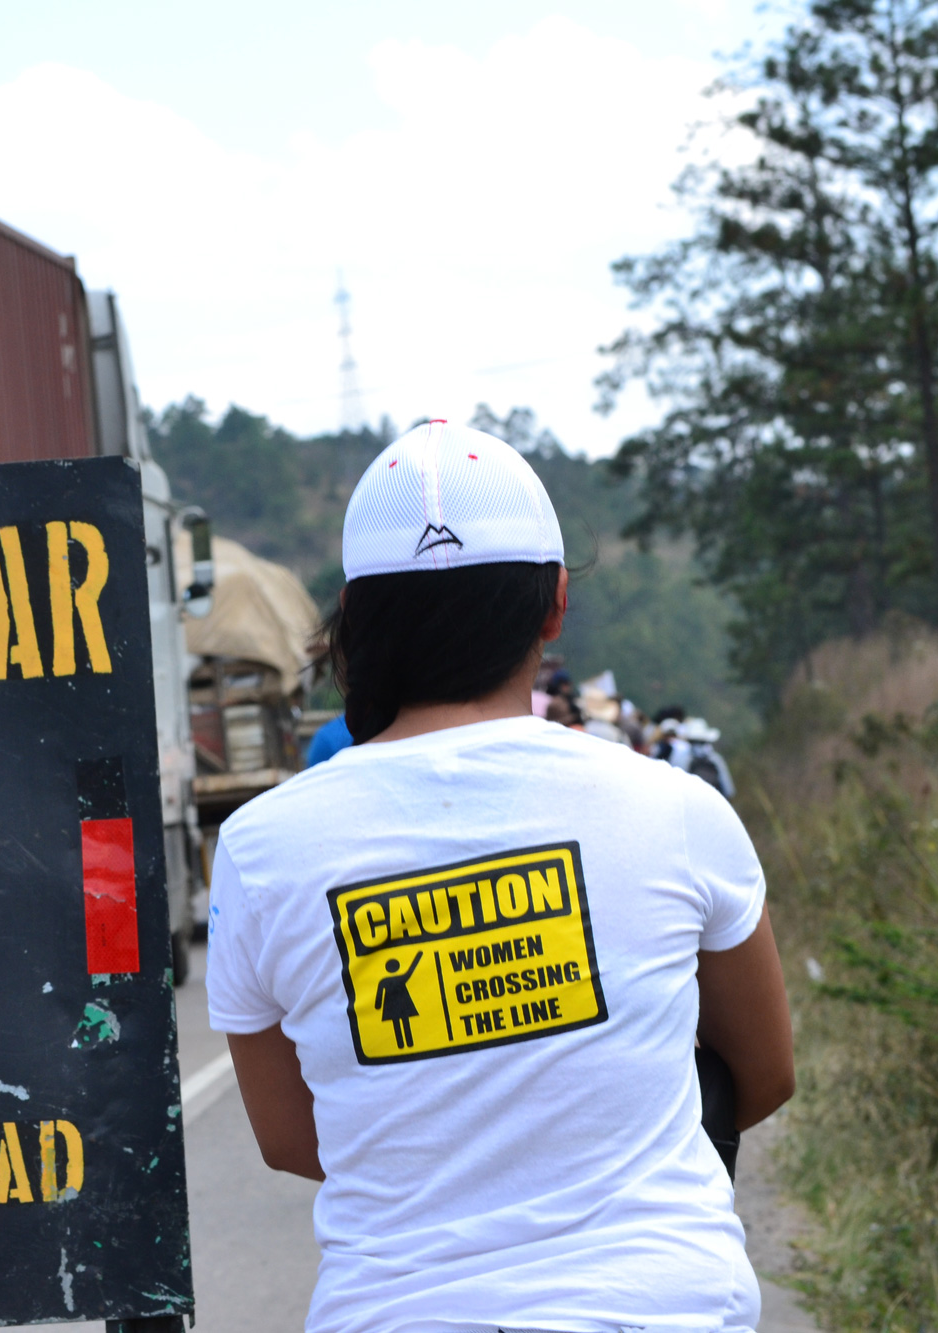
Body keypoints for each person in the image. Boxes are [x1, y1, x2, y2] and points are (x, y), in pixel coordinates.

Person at [206, 420, 795, 1333]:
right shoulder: (673, 810)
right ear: (555, 605)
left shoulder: (258, 849)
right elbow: (762, 1073)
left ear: (354, 619)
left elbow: (291, 1138)